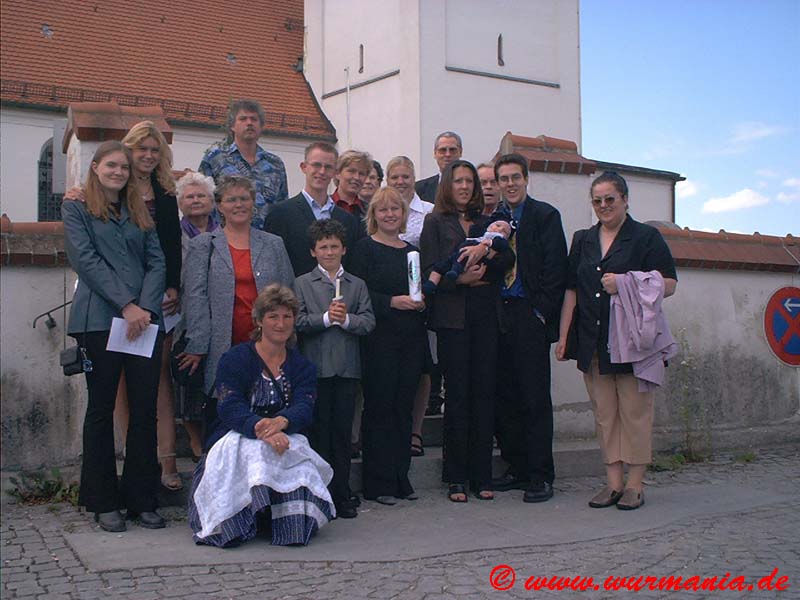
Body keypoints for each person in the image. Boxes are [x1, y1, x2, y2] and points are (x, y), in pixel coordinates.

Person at [65, 121, 183, 490]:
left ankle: (141, 496)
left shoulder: (140, 208)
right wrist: (127, 305)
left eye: (122, 167)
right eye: (111, 165)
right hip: (100, 319)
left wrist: (144, 309)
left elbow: (158, 259)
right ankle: (102, 498)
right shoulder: (77, 206)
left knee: (145, 409)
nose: (118, 172)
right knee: (102, 408)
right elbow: (87, 261)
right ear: (95, 168)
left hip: (144, 319)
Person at [555, 171, 677, 511]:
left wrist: (626, 282)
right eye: (597, 201)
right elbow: (571, 290)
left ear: (625, 199)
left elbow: (669, 284)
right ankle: (613, 484)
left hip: (634, 342)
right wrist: (564, 336)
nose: (604, 206)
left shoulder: (646, 237)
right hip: (592, 339)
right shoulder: (583, 240)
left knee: (635, 414)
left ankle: (635, 485)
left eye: (610, 199)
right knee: (605, 415)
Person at [188, 285, 335, 547]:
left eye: (287, 317)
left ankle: (288, 524)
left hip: (284, 431)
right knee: (254, 453)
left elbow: (305, 405)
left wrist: (281, 422)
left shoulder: (302, 366)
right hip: (237, 434)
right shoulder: (235, 358)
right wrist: (260, 427)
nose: (281, 324)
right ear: (259, 321)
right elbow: (229, 404)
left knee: (295, 454)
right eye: (273, 316)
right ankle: (238, 521)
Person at [420, 160, 515, 502]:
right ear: (447, 185)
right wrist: (460, 279)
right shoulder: (435, 222)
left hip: (486, 317)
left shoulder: (488, 222)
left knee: (484, 394)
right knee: (458, 396)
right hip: (452, 320)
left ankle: (482, 475)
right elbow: (429, 270)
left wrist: (486, 251)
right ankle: (456, 477)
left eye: (469, 181)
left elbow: (506, 261)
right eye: (458, 181)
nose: (464, 187)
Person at [180, 176, 294, 429]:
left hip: (267, 343)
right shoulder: (203, 245)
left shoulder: (274, 244)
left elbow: (287, 292)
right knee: (225, 415)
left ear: (253, 203)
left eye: (244, 198)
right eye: (231, 200)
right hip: (222, 344)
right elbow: (195, 297)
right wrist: (197, 343)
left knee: (265, 411)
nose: (239, 205)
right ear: (220, 206)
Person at [486, 153, 568, 503]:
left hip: (528, 313)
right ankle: (516, 466)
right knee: (505, 396)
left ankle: (540, 474)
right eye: (503, 179)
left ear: (526, 179)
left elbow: (556, 268)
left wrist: (540, 313)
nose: (510, 184)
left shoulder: (545, 216)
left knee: (534, 397)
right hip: (498, 314)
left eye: (515, 177)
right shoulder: (493, 220)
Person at [349, 188, 427, 504]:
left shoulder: (412, 252)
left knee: (403, 408)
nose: (390, 214)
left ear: (404, 214)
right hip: (378, 338)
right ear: (374, 215)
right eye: (383, 210)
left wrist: (422, 301)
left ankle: (400, 478)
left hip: (410, 337)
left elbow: (419, 289)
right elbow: (358, 294)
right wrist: (391, 302)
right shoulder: (364, 249)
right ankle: (378, 483)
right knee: (380, 408)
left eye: (395, 209)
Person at [293, 220, 375, 519]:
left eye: (334, 247)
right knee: (319, 433)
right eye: (323, 247)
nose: (329, 252)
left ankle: (342, 491)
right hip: (315, 369)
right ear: (313, 251)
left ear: (344, 249)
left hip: (346, 369)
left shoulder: (356, 284)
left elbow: (368, 321)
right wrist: (326, 318)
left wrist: (347, 320)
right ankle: (320, 492)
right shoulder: (302, 283)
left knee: (342, 433)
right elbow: (298, 321)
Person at [385, 155, 435, 457]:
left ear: (414, 178)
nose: (401, 182)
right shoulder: (382, 209)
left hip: (421, 296)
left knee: (423, 368)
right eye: (395, 177)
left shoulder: (429, 211)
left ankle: (416, 430)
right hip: (390, 300)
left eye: (405, 176)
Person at [173, 171, 219, 460]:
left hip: (220, 310)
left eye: (201, 195)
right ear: (180, 203)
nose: (196, 200)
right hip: (184, 312)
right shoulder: (173, 235)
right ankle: (194, 439)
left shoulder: (223, 233)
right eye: (189, 196)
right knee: (189, 373)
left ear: (212, 201)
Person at [264, 142, 360, 277]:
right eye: (316, 165)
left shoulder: (348, 220)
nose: (322, 172)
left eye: (328, 167)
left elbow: (351, 267)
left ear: (335, 172)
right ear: (304, 167)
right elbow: (273, 263)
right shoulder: (281, 213)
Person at [198, 99, 288, 229]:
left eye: (254, 119)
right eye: (243, 119)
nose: (249, 123)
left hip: (267, 237)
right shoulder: (215, 158)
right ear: (232, 126)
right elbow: (203, 199)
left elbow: (282, 207)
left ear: (262, 126)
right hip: (225, 235)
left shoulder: (275, 164)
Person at [422, 220, 511, 294]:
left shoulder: (497, 238)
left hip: (481, 289)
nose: (499, 229)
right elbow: (427, 264)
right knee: (440, 267)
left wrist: (485, 249)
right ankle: (432, 283)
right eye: (497, 225)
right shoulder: (435, 220)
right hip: (456, 259)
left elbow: (508, 259)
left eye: (504, 231)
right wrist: (459, 280)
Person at [415, 131, 464, 203]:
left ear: (460, 152)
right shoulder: (419, 188)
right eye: (442, 150)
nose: (447, 154)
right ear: (435, 153)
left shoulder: (471, 185)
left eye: (452, 150)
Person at [331, 150, 372, 227]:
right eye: (351, 171)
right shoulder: (324, 206)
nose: (357, 177)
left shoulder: (370, 212)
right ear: (337, 173)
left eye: (361, 173)